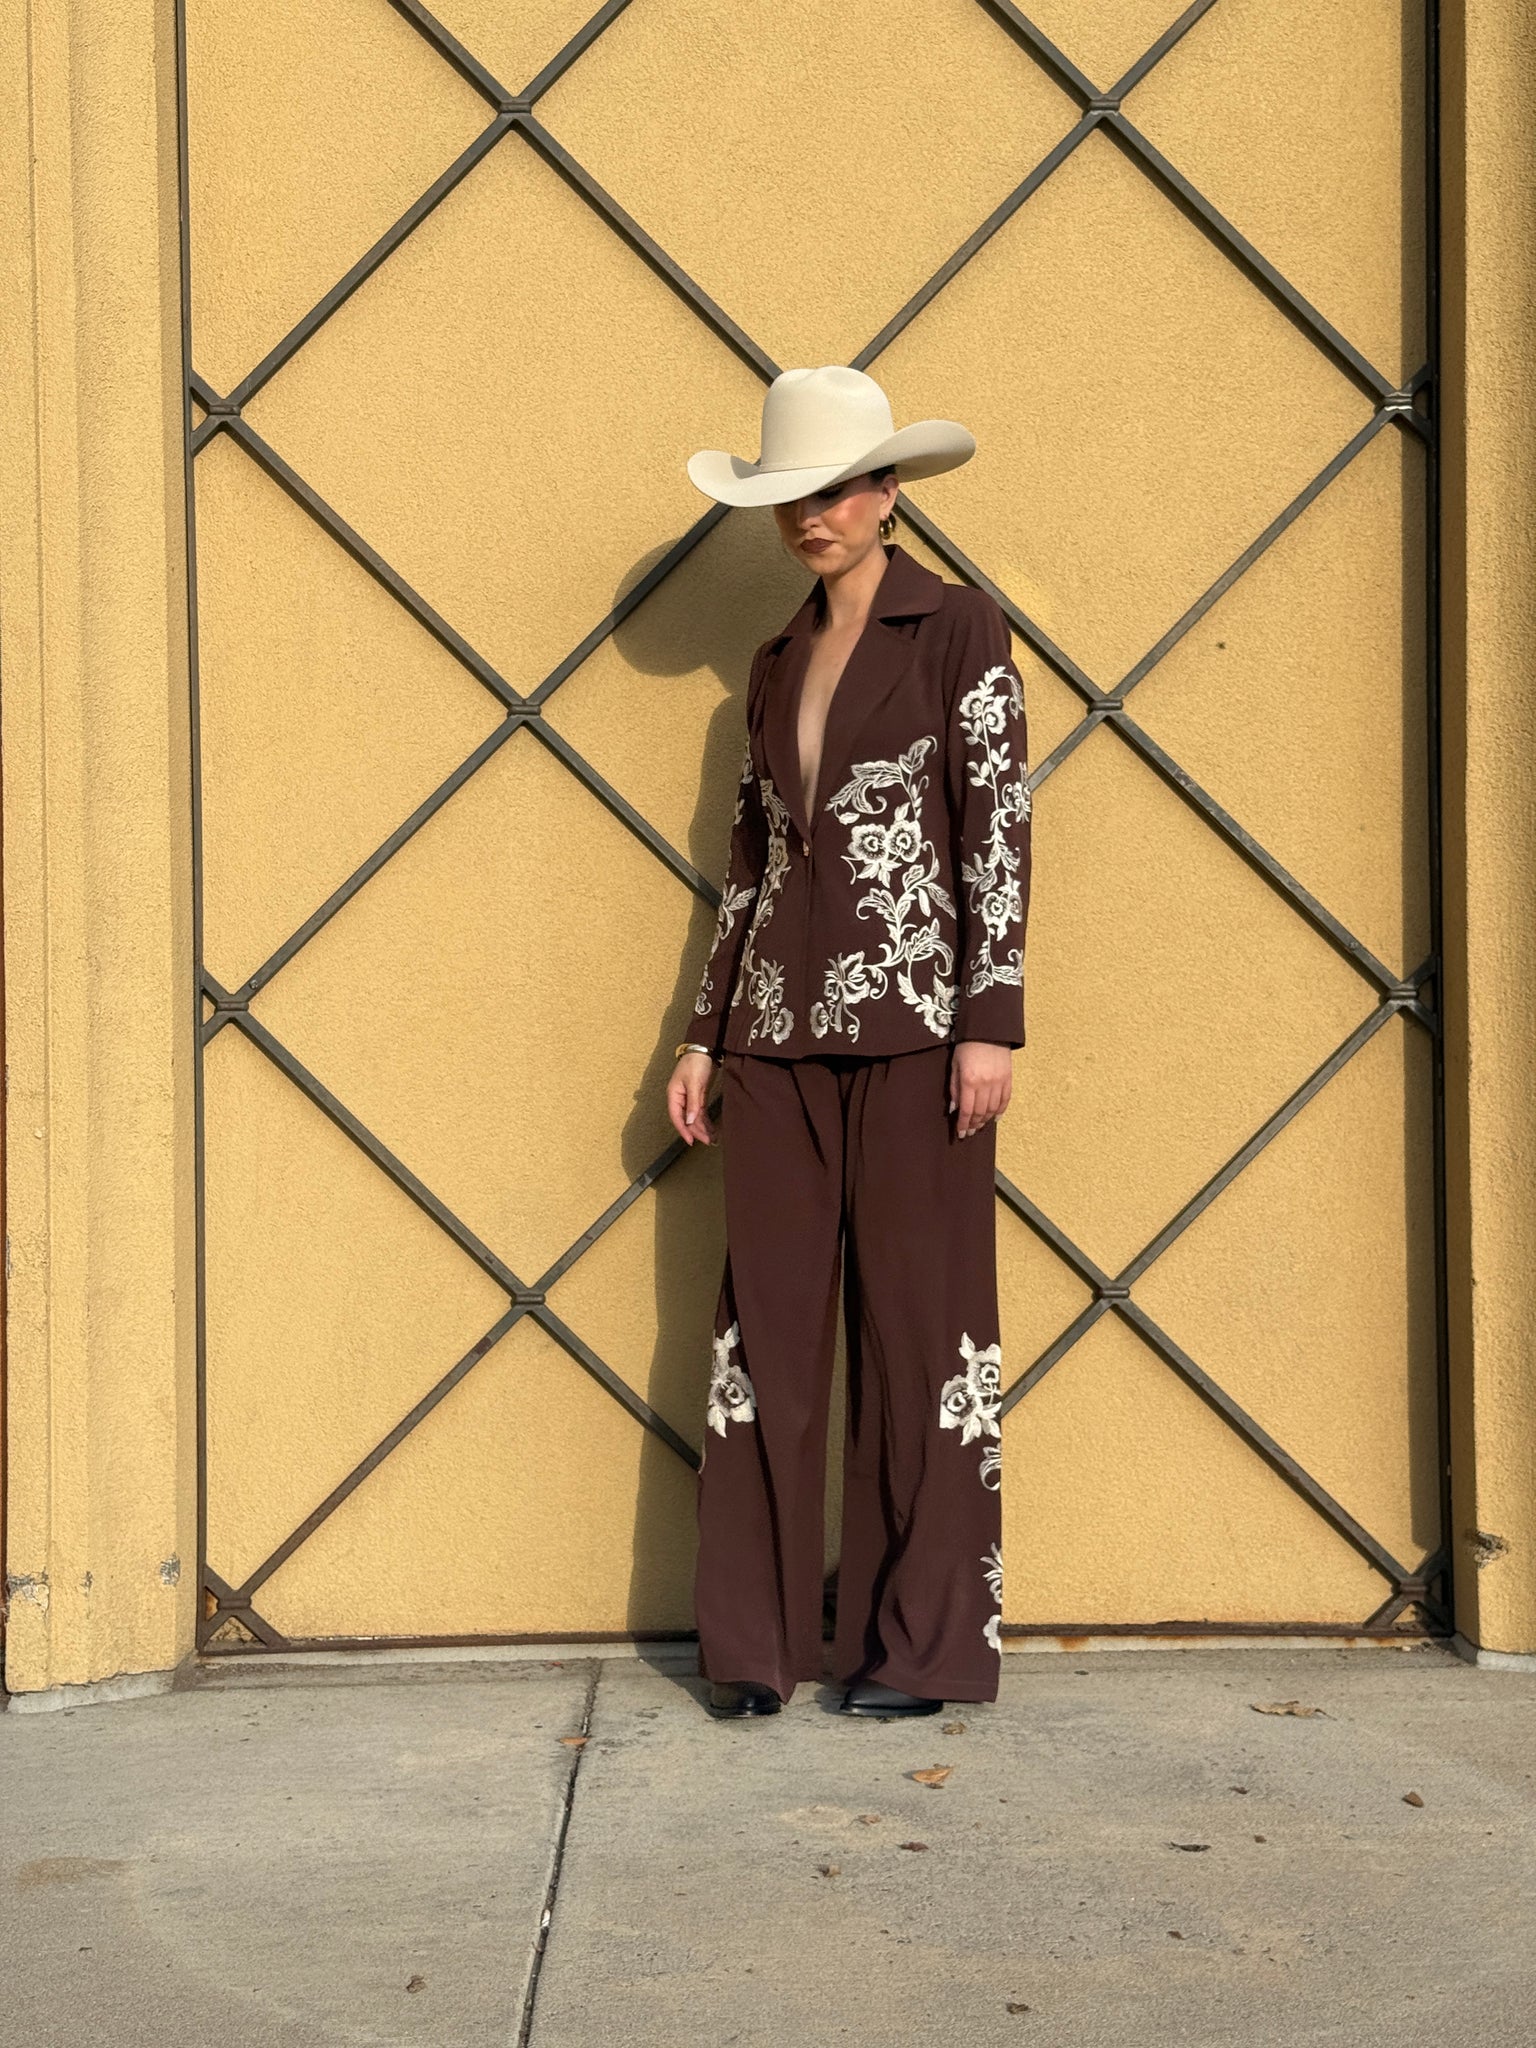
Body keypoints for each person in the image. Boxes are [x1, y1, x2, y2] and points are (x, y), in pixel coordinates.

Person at [666, 365, 1032, 1721]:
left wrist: (990, 1021)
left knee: (923, 1343)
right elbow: (751, 863)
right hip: (772, 1041)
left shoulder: (959, 628)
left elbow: (997, 831)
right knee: (761, 1344)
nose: (812, 518)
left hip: (921, 1036)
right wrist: (706, 1034)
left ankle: (917, 1650)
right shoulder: (773, 665)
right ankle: (757, 1649)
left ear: (888, 493)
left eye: (834, 492)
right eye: (791, 499)